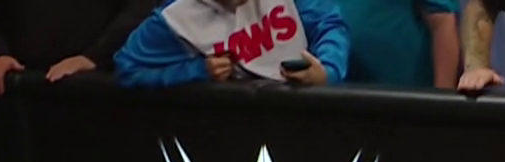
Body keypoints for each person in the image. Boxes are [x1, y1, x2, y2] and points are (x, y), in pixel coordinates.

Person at [114, 0, 350, 87]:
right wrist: (196, 71)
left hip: (303, 112)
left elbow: (329, 25)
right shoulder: (175, 17)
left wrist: (327, 72)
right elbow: (127, 70)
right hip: (229, 129)